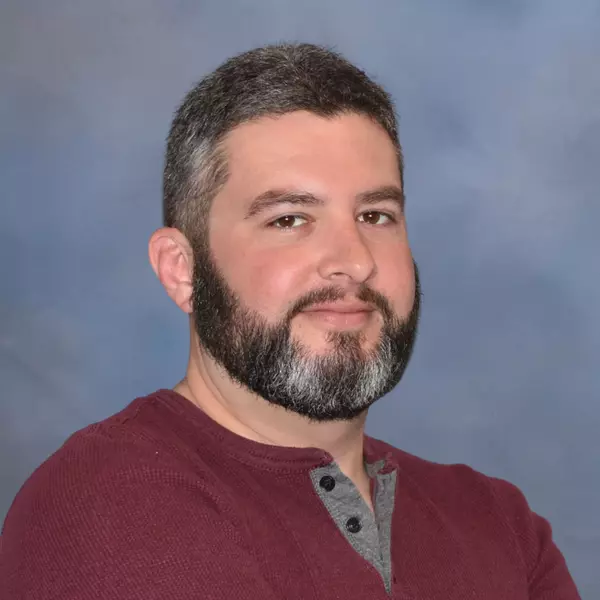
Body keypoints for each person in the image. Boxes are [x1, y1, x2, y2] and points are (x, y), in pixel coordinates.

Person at [0, 43, 580, 600]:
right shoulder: (104, 502)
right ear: (182, 270)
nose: (354, 260)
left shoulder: (502, 526)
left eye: (376, 215)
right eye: (289, 219)